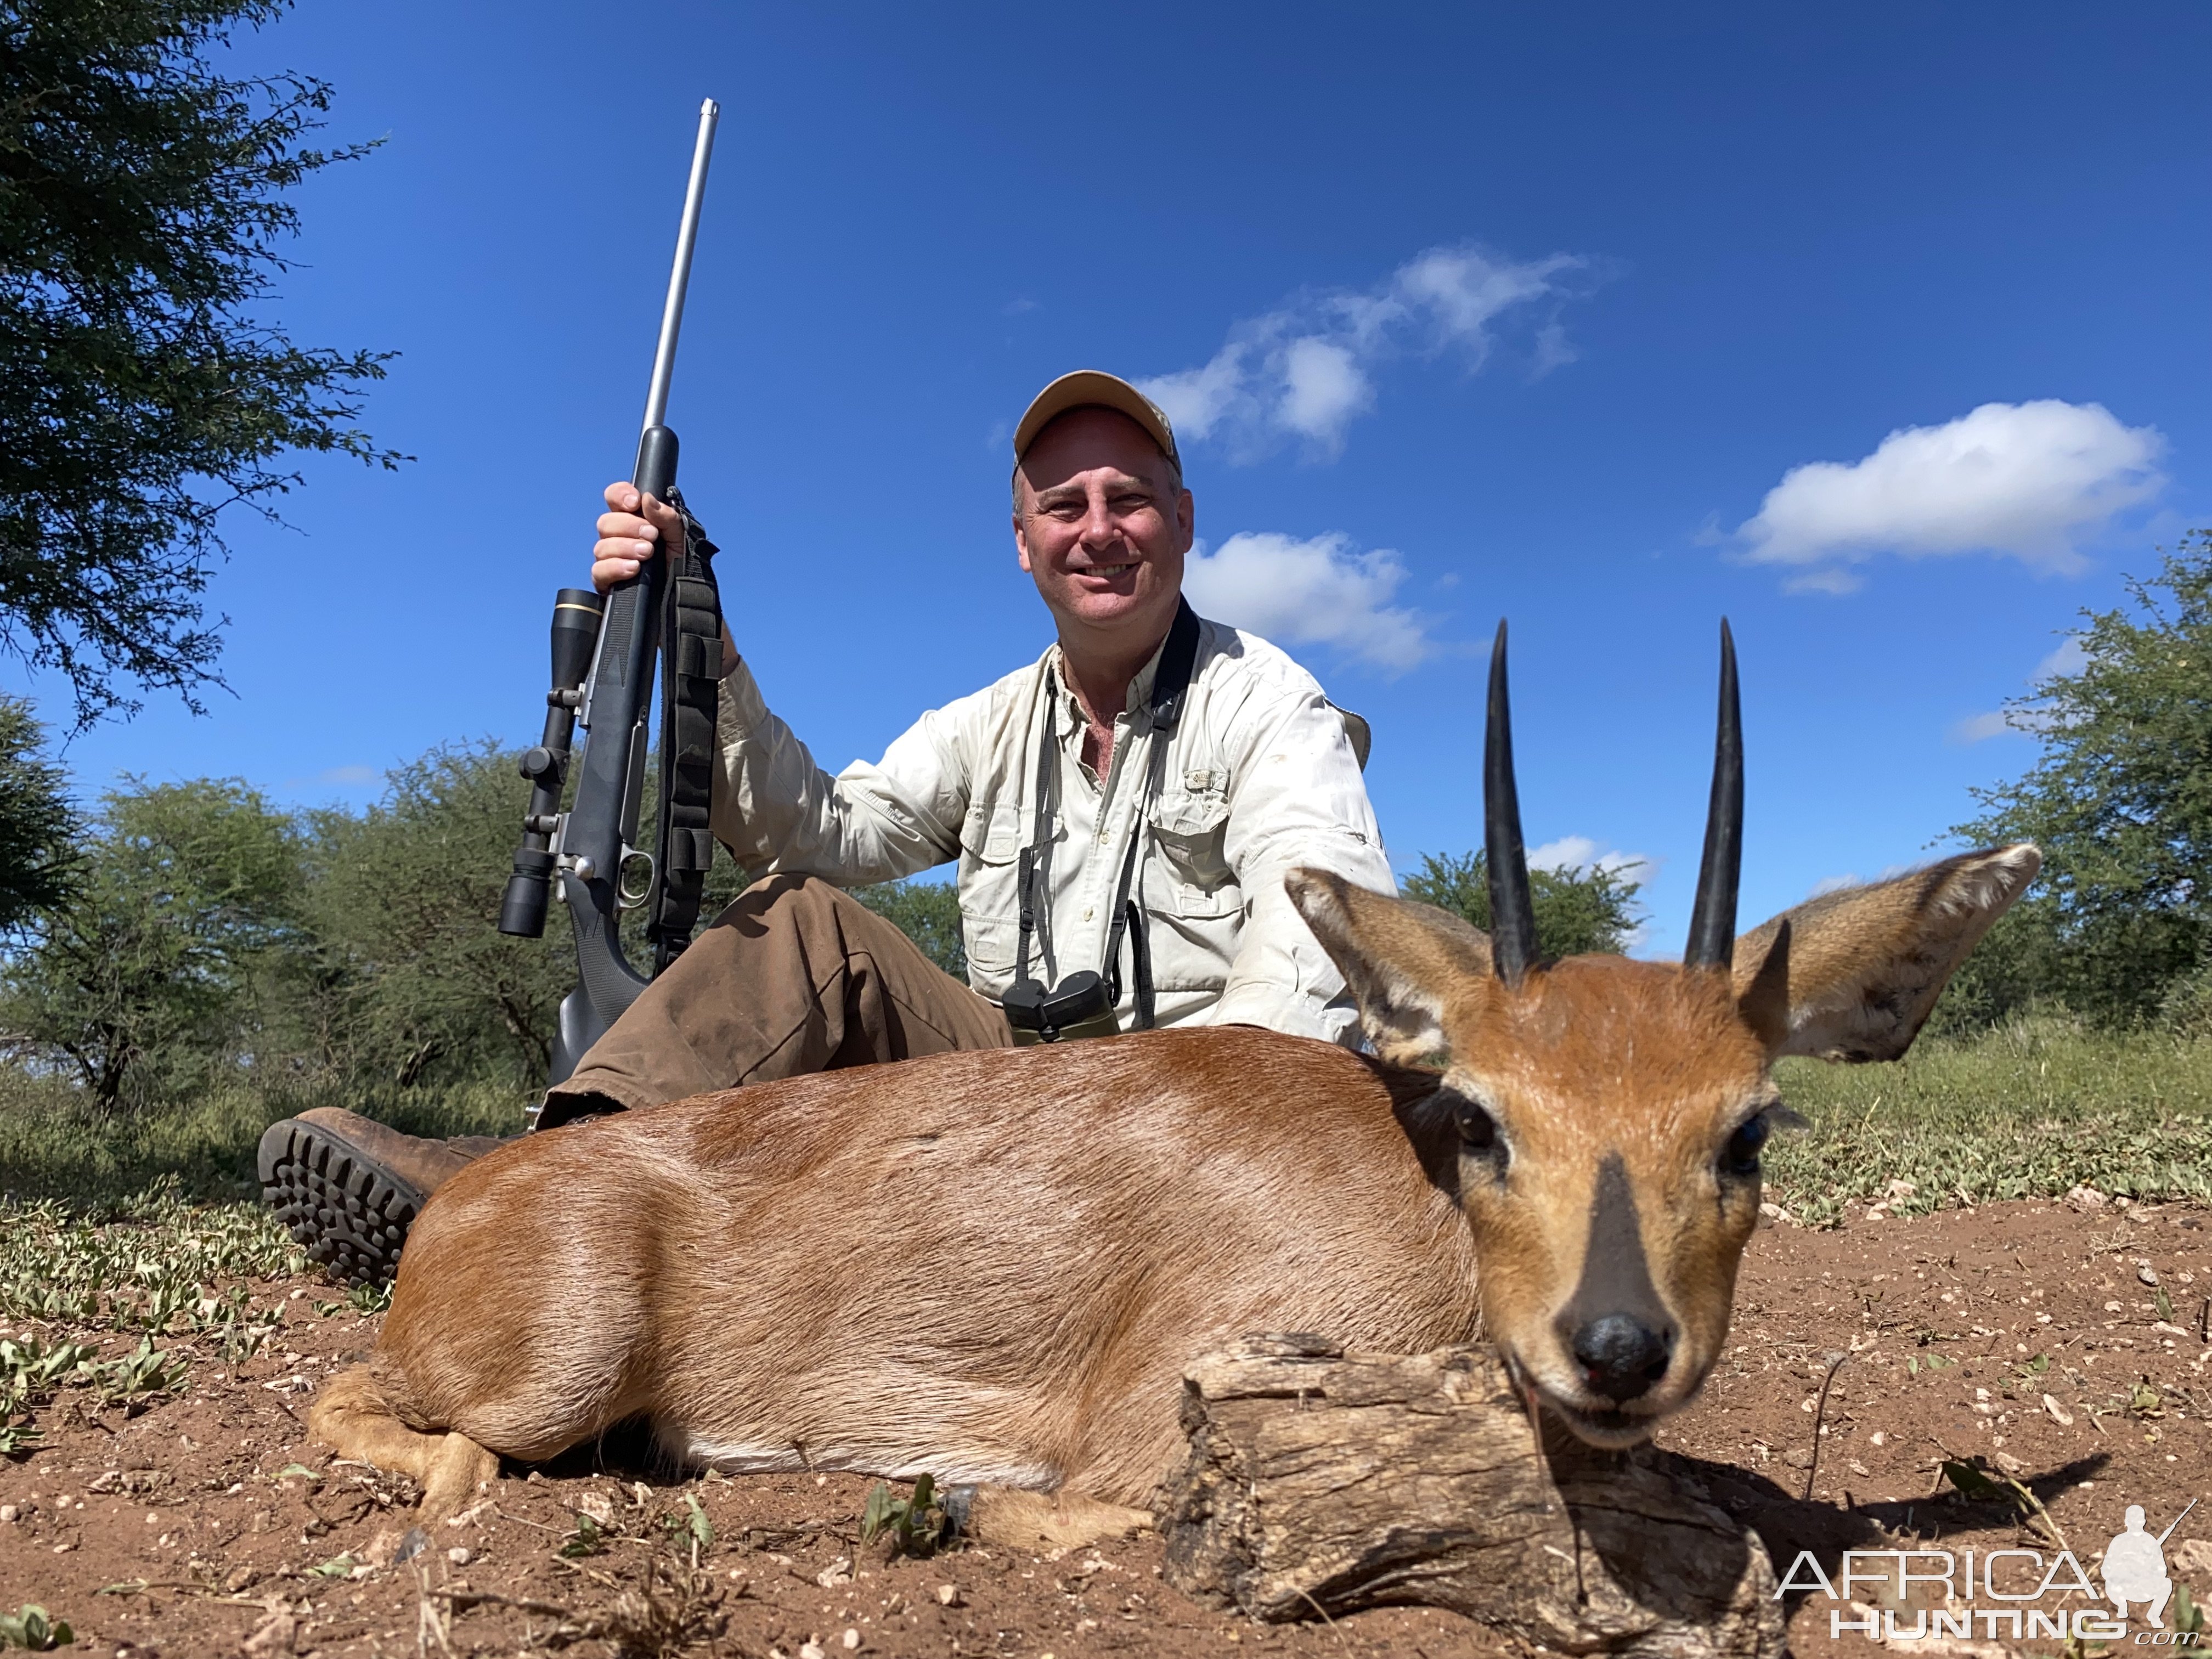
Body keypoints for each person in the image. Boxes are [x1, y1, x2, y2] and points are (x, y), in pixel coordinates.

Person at [259, 371, 1393, 1285]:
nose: (1097, 531)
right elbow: (824, 835)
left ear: (1184, 523)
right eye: (1063, 506)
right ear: (1022, 542)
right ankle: (541, 1185)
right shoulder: (989, 725)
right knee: (807, 923)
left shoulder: (1268, 702)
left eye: (1128, 499)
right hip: (1009, 1106)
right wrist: (704, 629)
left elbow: (1325, 941)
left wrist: (1181, 1171)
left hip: (1191, 1130)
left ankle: (584, 1221)